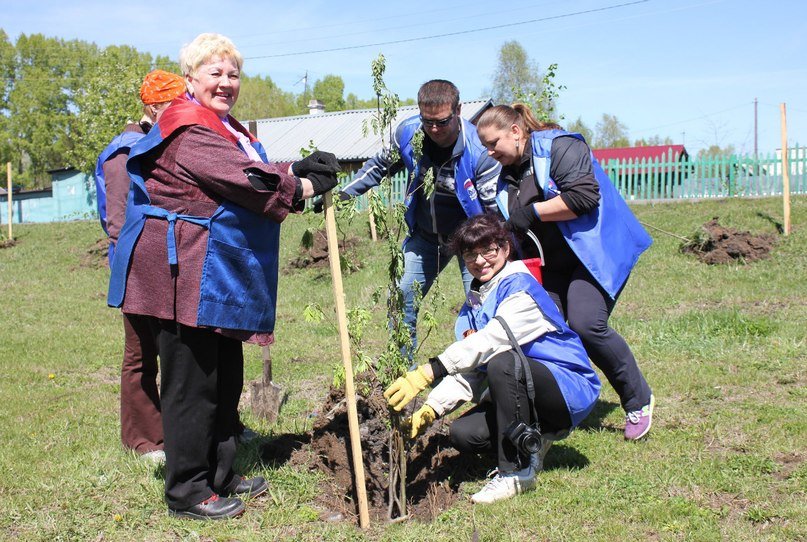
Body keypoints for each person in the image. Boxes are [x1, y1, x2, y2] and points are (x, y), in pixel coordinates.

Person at [107, 33, 338, 520]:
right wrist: (304, 187)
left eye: (233, 74)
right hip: (181, 271)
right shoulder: (187, 127)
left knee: (224, 375)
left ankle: (220, 472)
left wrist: (292, 166)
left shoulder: (221, 127)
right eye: (215, 72)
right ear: (190, 79)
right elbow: (243, 181)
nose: (226, 82)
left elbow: (248, 165)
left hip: (212, 270)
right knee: (193, 382)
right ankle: (187, 490)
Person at [383, 214, 600, 504]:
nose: (480, 260)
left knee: (503, 361)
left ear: (505, 250)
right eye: (470, 254)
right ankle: (536, 438)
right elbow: (473, 369)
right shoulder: (477, 297)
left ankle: (516, 472)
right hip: (525, 386)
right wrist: (431, 410)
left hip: (566, 386)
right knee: (463, 434)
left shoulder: (520, 288)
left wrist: (428, 372)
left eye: (489, 251)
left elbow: (491, 341)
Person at [475, 103, 655, 440]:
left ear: (515, 132)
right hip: (551, 264)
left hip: (594, 254)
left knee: (586, 325)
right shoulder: (507, 177)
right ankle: (554, 404)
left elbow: (585, 196)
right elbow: (511, 225)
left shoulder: (560, 147)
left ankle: (637, 398)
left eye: (492, 142)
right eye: (484, 145)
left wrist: (534, 212)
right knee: (536, 327)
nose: (488, 151)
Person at [331, 80, 502, 353]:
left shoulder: (479, 150)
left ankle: (483, 383)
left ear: (458, 111)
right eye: (427, 121)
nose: (433, 129)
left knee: (483, 309)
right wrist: (342, 195)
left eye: (442, 122)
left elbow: (494, 213)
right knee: (400, 300)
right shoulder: (408, 134)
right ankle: (403, 379)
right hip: (425, 236)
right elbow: (378, 167)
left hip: (473, 241)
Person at [94, 70, 186, 462]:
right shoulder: (123, 151)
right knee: (140, 352)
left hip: (167, 258)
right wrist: (136, 267)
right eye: (172, 104)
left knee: (177, 351)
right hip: (133, 262)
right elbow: (117, 220)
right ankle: (143, 439)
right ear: (151, 106)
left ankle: (176, 430)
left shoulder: (161, 140)